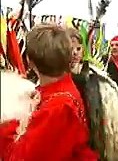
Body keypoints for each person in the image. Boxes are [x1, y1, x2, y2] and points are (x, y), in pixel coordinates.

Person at [0, 24, 98, 160]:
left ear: (30, 62)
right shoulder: (61, 90)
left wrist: (7, 122)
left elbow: (19, 157)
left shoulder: (56, 108)